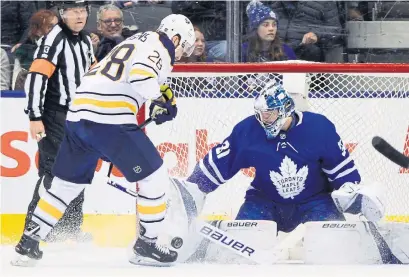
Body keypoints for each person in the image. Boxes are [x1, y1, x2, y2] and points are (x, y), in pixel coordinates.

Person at [12, 13, 196, 267]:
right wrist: (158, 101)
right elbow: (142, 76)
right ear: (175, 37)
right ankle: (148, 244)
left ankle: (29, 242)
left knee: (65, 186)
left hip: (77, 117)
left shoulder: (134, 41)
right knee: (154, 176)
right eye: (183, 47)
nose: (181, 54)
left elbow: (119, 74)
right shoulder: (160, 46)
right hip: (109, 119)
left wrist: (161, 94)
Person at [178, 82, 384, 241]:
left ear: (285, 109)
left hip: (315, 202)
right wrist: (190, 192)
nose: (264, 119)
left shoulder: (319, 128)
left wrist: (352, 194)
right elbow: (217, 165)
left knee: (335, 247)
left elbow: (341, 170)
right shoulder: (248, 131)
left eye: (269, 114)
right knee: (239, 248)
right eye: (260, 114)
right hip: (264, 202)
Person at [16, 0, 96, 258]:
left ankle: (69, 230)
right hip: (54, 116)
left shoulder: (84, 41)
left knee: (78, 172)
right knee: (52, 174)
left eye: (83, 10)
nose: (79, 15)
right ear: (62, 14)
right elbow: (37, 77)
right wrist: (35, 116)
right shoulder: (55, 37)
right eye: (73, 11)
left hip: (78, 116)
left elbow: (93, 74)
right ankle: (32, 233)